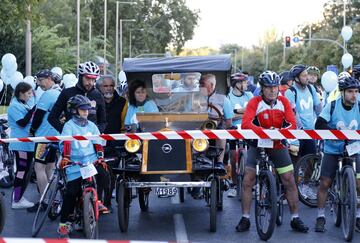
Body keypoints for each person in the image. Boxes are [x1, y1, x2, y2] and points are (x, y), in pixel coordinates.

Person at [238, 71, 309, 233]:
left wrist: (278, 132)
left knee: (289, 179)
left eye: (275, 87)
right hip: (258, 144)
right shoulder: (254, 102)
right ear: (262, 89)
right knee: (248, 179)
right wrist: (264, 131)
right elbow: (246, 124)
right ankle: (245, 218)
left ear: (278, 88)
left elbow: (292, 124)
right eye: (268, 88)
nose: (272, 91)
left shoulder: (283, 102)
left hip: (277, 144)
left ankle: (295, 218)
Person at [57, 95, 110, 237]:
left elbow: (97, 142)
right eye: (82, 109)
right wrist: (66, 157)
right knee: (71, 192)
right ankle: (64, 224)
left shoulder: (92, 126)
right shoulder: (69, 126)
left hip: (90, 162)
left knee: (104, 174)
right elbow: (66, 141)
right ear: (74, 110)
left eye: (88, 109)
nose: (86, 112)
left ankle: (97, 200)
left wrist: (100, 158)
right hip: (74, 163)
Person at [314, 76, 360, 233]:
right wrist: (332, 132)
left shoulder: (359, 106)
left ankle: (358, 215)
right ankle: (320, 217)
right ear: (342, 92)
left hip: (354, 148)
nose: (354, 95)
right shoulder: (332, 106)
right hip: (333, 149)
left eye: (356, 91)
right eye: (350, 92)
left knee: (359, 183)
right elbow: (319, 123)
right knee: (325, 183)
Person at [27, 70, 62, 212]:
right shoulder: (59, 92)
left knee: (39, 168)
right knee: (50, 168)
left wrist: (32, 130)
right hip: (55, 136)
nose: (39, 84)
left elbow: (39, 115)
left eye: (40, 80)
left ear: (48, 79)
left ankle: (44, 201)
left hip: (43, 138)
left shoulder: (48, 94)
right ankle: (53, 200)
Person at [48, 61, 107, 133]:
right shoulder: (67, 93)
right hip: (72, 140)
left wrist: (95, 133)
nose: (91, 83)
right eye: (88, 78)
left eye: (93, 79)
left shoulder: (98, 95)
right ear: (81, 77)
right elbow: (52, 117)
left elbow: (103, 122)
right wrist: (66, 131)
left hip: (91, 140)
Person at [97, 75, 128, 210]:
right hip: (97, 142)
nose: (109, 89)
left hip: (115, 144)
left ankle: (107, 201)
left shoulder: (122, 102)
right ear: (99, 87)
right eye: (105, 86)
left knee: (109, 172)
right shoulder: (94, 100)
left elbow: (125, 123)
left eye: (111, 86)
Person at [8, 82, 36, 209]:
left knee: (25, 172)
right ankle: (16, 200)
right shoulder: (14, 106)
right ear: (21, 93)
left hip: (27, 144)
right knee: (21, 171)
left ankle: (18, 197)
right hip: (20, 145)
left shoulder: (23, 104)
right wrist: (34, 110)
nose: (30, 96)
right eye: (29, 93)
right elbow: (22, 123)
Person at [285, 64, 321, 157]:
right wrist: (301, 130)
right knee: (297, 162)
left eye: (307, 75)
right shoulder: (290, 92)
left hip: (311, 132)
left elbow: (318, 107)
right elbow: (293, 113)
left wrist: (321, 123)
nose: (307, 78)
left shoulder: (311, 88)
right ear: (297, 78)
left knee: (311, 161)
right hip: (298, 133)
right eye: (304, 76)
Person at [226, 72, 253, 198]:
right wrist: (246, 113)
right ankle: (234, 184)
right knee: (232, 156)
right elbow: (229, 116)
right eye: (244, 82)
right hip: (234, 128)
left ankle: (252, 183)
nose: (246, 84)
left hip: (248, 128)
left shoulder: (249, 95)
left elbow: (255, 112)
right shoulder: (228, 97)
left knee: (254, 154)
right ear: (237, 84)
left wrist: (236, 112)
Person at [199, 74, 233, 169]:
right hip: (198, 127)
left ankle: (220, 162)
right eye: (200, 84)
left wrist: (221, 125)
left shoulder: (223, 99)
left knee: (222, 133)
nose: (200, 87)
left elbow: (229, 121)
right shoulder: (194, 98)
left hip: (216, 128)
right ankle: (196, 158)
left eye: (203, 84)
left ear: (211, 85)